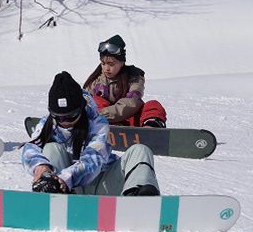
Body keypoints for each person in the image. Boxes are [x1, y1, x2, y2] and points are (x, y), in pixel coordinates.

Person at [22, 72, 160, 196]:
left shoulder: (97, 122)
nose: (65, 122)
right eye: (60, 117)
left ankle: (140, 200)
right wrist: (41, 167)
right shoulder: (48, 123)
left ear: (81, 108)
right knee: (51, 148)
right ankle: (52, 197)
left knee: (141, 150)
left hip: (104, 185)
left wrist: (67, 177)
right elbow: (30, 148)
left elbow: (94, 158)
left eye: (72, 116)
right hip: (70, 190)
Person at [82, 34, 167, 128]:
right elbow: (84, 102)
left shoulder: (134, 77)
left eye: (111, 64)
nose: (106, 68)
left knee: (153, 105)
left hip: (131, 120)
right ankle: (108, 128)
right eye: (103, 63)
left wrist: (101, 114)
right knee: (96, 101)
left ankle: (150, 131)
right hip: (104, 122)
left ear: (122, 63)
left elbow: (132, 102)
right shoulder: (96, 81)